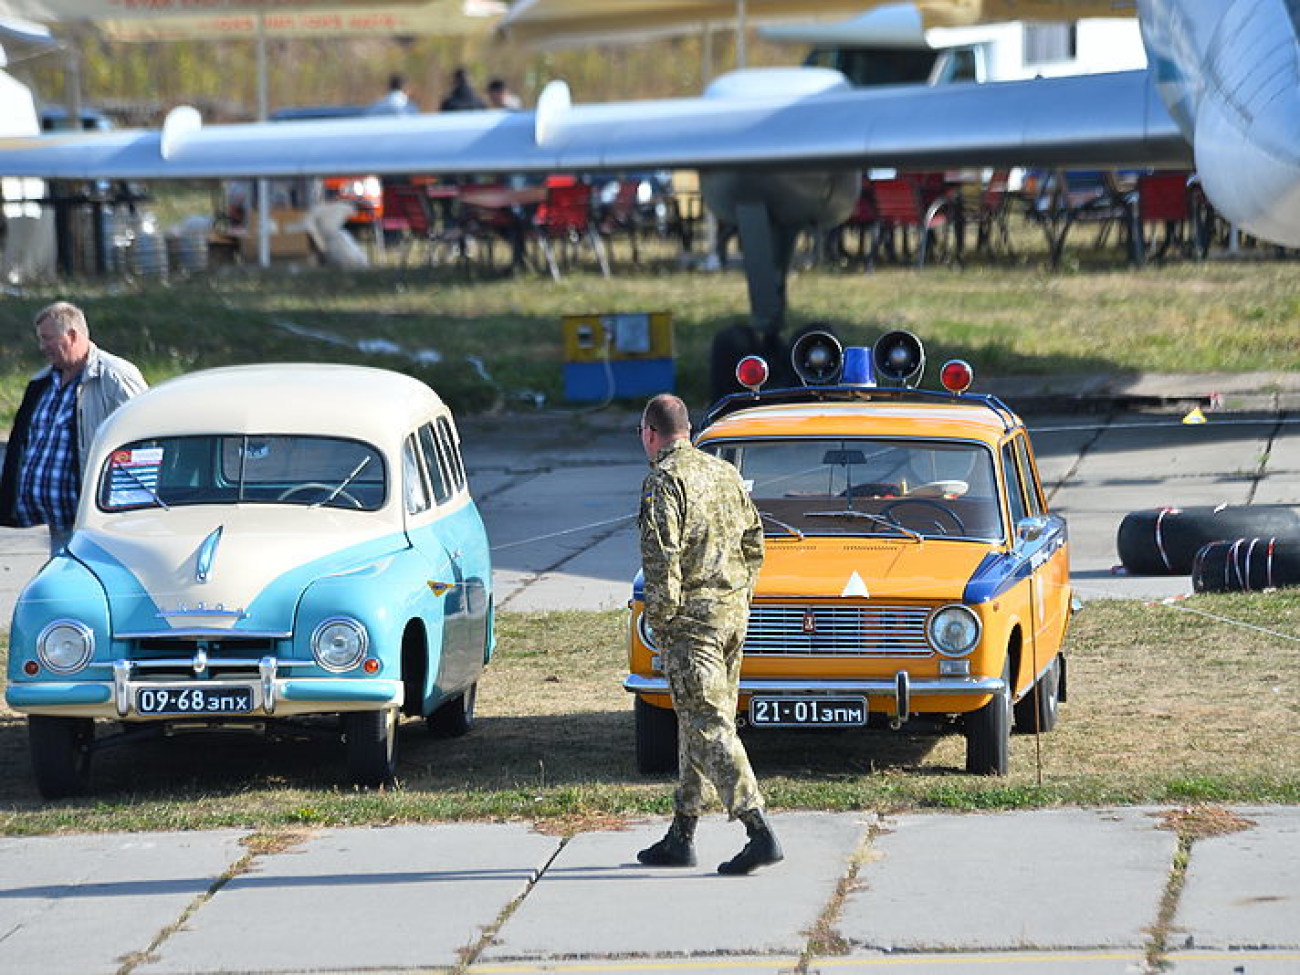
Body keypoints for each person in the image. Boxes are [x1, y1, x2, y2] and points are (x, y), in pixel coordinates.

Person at [635, 393, 782, 875]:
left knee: (709, 725)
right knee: (698, 723)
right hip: (731, 618)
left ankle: (757, 829)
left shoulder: (664, 480)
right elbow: (755, 541)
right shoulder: (723, 473)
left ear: (649, 434)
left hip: (692, 627)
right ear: (690, 429)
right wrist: (738, 596)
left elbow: (662, 561)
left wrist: (662, 620)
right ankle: (683, 833)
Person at [0, 302, 148, 556]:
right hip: (58, 522)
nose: (42, 347)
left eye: (47, 339)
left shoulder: (115, 377)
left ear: (72, 336)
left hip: (97, 521)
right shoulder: (43, 382)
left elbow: (145, 440)